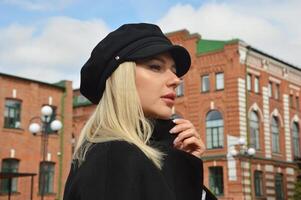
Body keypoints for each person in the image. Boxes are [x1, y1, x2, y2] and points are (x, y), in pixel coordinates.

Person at [63, 23, 216, 200]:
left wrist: (186, 167)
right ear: (123, 78)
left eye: (174, 71)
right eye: (156, 67)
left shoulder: (147, 154)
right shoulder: (114, 158)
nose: (176, 80)